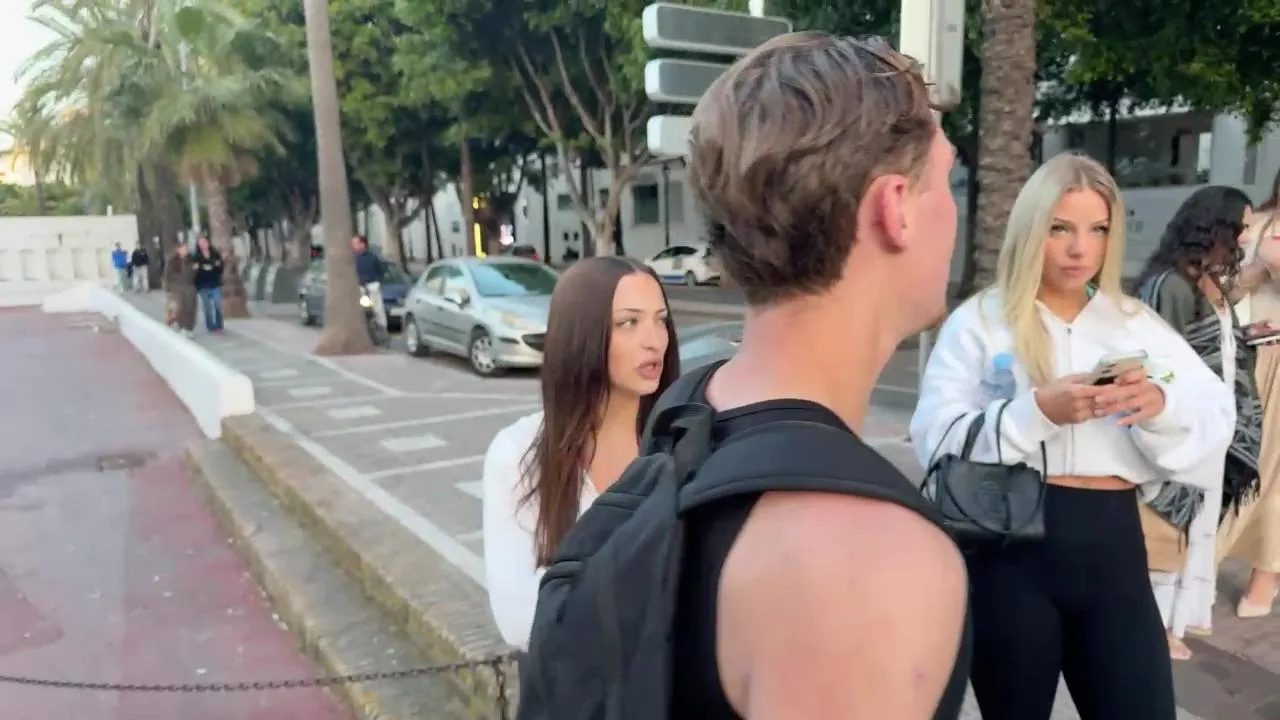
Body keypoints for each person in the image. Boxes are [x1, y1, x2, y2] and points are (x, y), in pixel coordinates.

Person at [661, 34, 969, 719]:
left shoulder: (686, 414)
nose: (954, 210)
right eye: (948, 180)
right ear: (895, 207)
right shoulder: (864, 562)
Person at [910, 153, 1235, 719]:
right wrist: (1034, 412)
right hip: (1010, 549)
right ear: (1030, 229)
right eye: (1059, 228)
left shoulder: (1132, 321)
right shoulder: (981, 322)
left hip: (1113, 543)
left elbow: (1215, 412)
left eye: (1098, 229)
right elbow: (936, 439)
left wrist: (1158, 405)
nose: (1080, 248)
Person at [481, 257, 679, 648]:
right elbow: (520, 619)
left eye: (661, 320)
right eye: (629, 322)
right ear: (581, 334)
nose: (655, 340)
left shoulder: (682, 439)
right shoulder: (518, 452)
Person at [1135, 185, 1264, 657]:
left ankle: (1175, 620)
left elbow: (1215, 348)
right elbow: (1157, 357)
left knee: (1198, 524)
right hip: (1179, 428)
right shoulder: (1171, 285)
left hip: (1213, 429)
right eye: (1240, 227)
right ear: (1214, 227)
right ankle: (1154, 627)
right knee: (1170, 521)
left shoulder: (1207, 280)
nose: (1246, 237)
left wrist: (1246, 337)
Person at [1220, 167, 1280, 619]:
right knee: (1241, 459)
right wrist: (1255, 268)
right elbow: (1227, 288)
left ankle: (1266, 575)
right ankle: (1206, 557)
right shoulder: (1256, 223)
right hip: (1251, 352)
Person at [351, 235, 387, 331]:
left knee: (378, 308)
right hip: (359, 288)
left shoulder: (372, 258)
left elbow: (380, 272)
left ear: (362, 244)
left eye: (355, 243)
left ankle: (382, 327)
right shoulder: (352, 259)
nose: (353, 246)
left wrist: (377, 282)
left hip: (372, 286)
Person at [163, 243, 197, 338]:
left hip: (190, 286)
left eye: (186, 248)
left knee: (191, 307)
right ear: (178, 249)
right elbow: (167, 275)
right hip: (177, 287)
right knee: (181, 308)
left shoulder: (191, 259)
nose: (185, 250)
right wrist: (168, 288)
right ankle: (183, 327)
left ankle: (190, 327)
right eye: (183, 248)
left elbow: (195, 273)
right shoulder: (172, 260)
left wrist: (195, 270)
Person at [192, 234, 224, 333]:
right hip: (203, 285)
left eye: (204, 242)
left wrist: (216, 266)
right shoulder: (196, 256)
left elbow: (220, 266)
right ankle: (210, 326)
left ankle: (219, 325)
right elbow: (194, 270)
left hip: (214, 283)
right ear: (198, 244)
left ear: (208, 242)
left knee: (218, 304)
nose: (203, 244)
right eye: (200, 243)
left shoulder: (215, 253)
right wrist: (200, 268)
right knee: (207, 307)